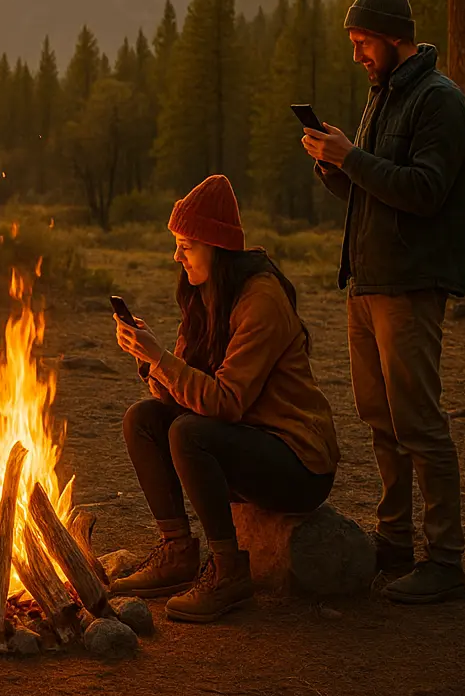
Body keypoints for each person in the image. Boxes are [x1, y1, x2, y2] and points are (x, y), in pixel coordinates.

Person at [301, 0, 465, 605]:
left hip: (410, 285)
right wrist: (336, 167)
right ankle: (395, 541)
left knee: (419, 423)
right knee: (380, 421)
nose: (356, 54)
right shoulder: (383, 97)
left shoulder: (440, 103)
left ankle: (446, 561)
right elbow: (376, 192)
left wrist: (353, 159)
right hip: (368, 283)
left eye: (362, 40)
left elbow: (425, 192)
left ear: (392, 36)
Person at [110, 174, 341, 623]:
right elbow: (184, 391)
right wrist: (149, 360)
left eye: (186, 245)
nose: (177, 255)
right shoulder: (203, 294)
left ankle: (229, 572)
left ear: (215, 246)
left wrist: (160, 359)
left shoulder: (262, 300)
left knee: (189, 432)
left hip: (297, 462)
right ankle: (178, 552)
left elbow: (226, 402)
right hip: (246, 440)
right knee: (143, 419)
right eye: (176, 243)